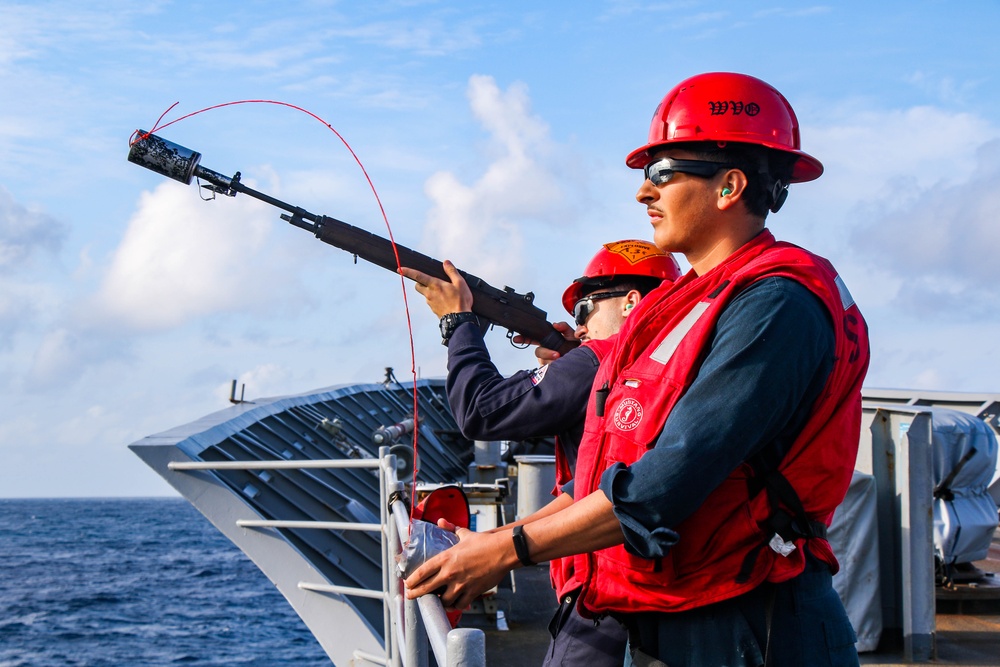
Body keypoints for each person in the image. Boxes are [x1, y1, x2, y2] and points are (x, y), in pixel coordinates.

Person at [404, 71, 871, 667]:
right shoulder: (684, 304)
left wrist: (509, 550)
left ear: (729, 185)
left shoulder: (775, 305)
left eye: (661, 173)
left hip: (756, 626)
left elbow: (659, 487)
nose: (642, 194)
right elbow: (608, 470)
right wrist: (491, 540)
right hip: (687, 612)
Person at [400, 240, 681, 667]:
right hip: (648, 589)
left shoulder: (599, 359)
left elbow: (481, 411)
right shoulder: (661, 364)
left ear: (630, 303)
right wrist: (492, 542)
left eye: (585, 310)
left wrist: (458, 322)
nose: (579, 326)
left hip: (608, 596)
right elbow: (592, 483)